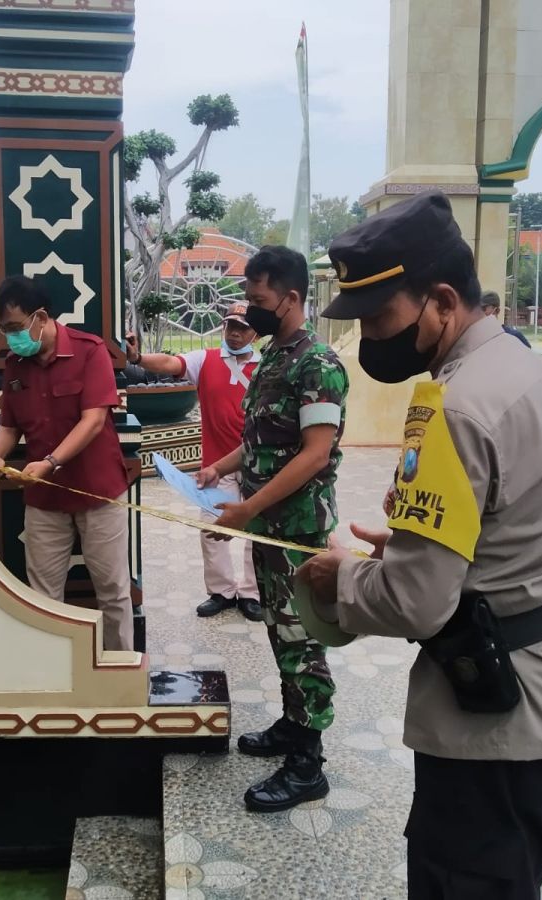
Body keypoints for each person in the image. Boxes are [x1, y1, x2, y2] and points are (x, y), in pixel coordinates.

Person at [297, 191, 542, 898]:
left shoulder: (448, 407)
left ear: (441, 301)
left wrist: (341, 580)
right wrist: (411, 541)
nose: (370, 338)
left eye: (381, 317)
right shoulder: (525, 367)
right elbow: (526, 515)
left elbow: (417, 603)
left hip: (500, 723)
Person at [197, 246, 348, 813]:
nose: (250, 310)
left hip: (297, 531)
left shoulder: (318, 365)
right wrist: (221, 468)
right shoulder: (274, 360)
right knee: (280, 632)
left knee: (301, 638)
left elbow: (313, 455)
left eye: (259, 301)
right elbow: (262, 441)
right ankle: (291, 725)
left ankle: (308, 765)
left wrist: (246, 507)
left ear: (290, 298)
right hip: (268, 525)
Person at [0, 276, 134, 652]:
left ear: (40, 317)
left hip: (99, 492)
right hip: (43, 500)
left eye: (15, 328)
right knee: (43, 596)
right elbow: (9, 426)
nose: (11, 338)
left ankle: (122, 673)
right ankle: (55, 672)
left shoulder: (90, 351)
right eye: (4, 330)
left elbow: (93, 420)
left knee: (112, 591)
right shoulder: (16, 364)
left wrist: (50, 461)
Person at [125, 302, 262, 622]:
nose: (236, 333)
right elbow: (172, 363)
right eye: (230, 327)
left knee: (257, 527)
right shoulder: (206, 359)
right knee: (211, 525)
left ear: (255, 332)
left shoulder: (267, 364)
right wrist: (137, 358)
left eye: (242, 328)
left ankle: (253, 592)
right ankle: (221, 590)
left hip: (258, 461)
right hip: (217, 463)